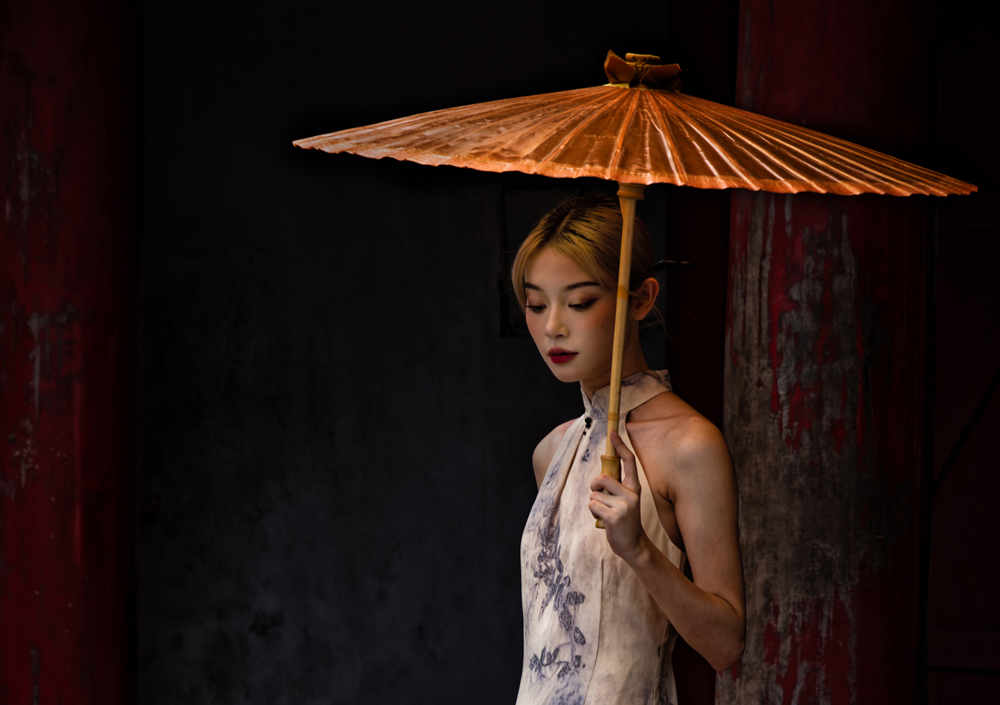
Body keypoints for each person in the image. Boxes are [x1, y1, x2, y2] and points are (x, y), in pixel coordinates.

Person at [511, 195, 745, 705]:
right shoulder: (552, 452)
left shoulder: (689, 444)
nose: (553, 325)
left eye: (579, 302)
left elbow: (725, 644)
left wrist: (640, 549)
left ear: (640, 300)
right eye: (535, 304)